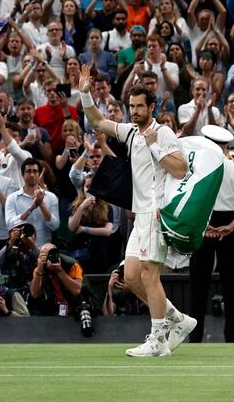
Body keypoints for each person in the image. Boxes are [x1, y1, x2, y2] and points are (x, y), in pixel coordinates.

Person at [77, 64, 195, 357]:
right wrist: (84, 93)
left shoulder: (163, 132)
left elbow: (180, 170)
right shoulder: (129, 132)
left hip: (156, 213)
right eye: (131, 106)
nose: (135, 111)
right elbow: (98, 121)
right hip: (139, 215)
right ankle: (178, 320)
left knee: (149, 275)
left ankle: (158, 341)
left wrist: (156, 147)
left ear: (151, 107)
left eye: (140, 106)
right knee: (130, 278)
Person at [189, 125, 234, 344]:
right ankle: (233, 339)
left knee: (199, 286)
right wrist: (231, 226)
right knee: (231, 287)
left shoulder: (195, 170)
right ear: (226, 147)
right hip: (228, 225)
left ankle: (195, 338)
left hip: (204, 224)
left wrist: (204, 225)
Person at [3, 158, 59, 246]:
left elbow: (55, 226)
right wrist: (31, 209)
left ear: (39, 174)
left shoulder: (51, 197)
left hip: (44, 249)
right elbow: (10, 225)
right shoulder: (12, 198)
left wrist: (41, 204)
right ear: (22, 174)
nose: (32, 175)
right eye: (28, 171)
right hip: (21, 248)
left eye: (35, 171)